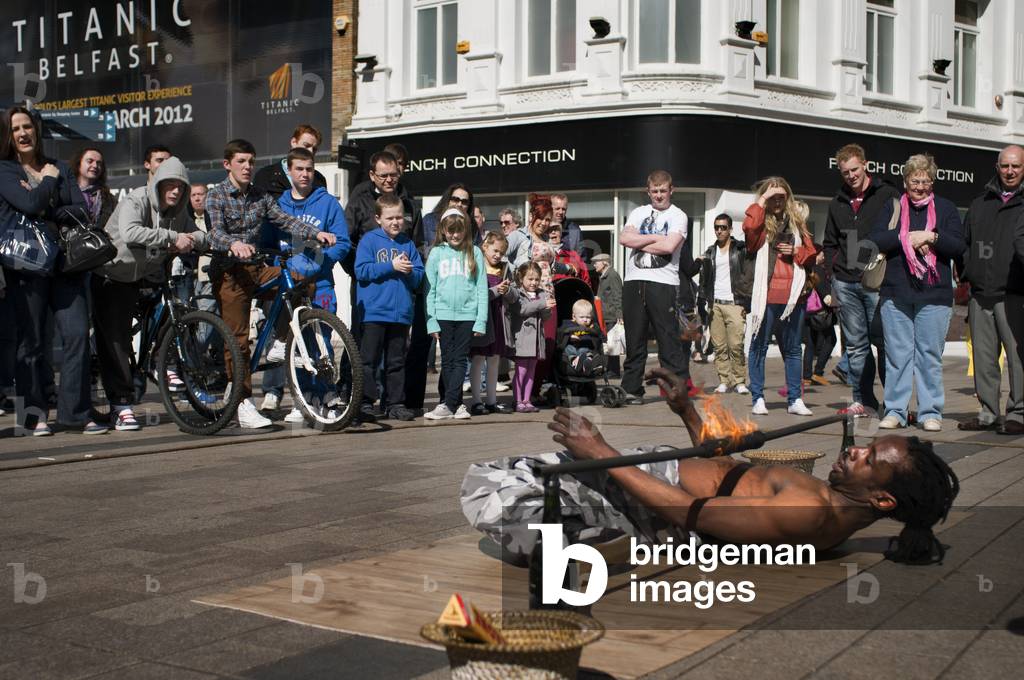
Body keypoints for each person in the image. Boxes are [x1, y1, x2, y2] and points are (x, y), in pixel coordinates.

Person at [462, 368, 961, 566]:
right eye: (865, 447)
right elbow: (726, 473)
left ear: (882, 499)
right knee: (506, 477)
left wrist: (602, 453)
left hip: (648, 498)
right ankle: (581, 540)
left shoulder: (811, 512)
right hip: (656, 475)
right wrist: (687, 410)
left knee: (488, 488)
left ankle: (584, 548)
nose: (854, 451)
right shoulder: (833, 502)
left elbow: (691, 514)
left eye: (869, 459)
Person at [206, 139, 337, 429]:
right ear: (228, 164)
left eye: (251, 162)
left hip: (255, 269)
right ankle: (242, 403)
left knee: (300, 282)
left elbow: (285, 220)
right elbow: (213, 233)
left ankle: (280, 339)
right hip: (229, 272)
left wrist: (316, 234)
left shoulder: (260, 195)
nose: (247, 167)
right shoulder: (216, 196)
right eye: (241, 161)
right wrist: (234, 244)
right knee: (238, 338)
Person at [0, 106, 103, 436]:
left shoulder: (59, 166)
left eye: (27, 126)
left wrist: (47, 203)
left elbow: (79, 209)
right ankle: (32, 417)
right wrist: (46, 185)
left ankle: (74, 414)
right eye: (15, 128)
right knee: (30, 344)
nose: (22, 133)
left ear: (36, 130)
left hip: (65, 265)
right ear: (8, 135)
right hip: (26, 266)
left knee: (76, 337)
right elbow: (29, 205)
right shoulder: (4, 169)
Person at [93, 157, 201, 431]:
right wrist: (171, 237)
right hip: (111, 275)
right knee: (115, 340)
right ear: (159, 184)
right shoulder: (136, 199)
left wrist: (193, 239)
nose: (176, 191)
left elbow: (197, 233)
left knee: (172, 312)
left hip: (142, 276)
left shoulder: (178, 211)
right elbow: (130, 232)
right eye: (170, 185)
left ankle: (158, 361)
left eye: (181, 186)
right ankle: (120, 405)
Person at [868, 155, 964, 431]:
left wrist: (931, 237)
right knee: (897, 356)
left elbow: (958, 246)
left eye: (925, 181)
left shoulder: (945, 209)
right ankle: (896, 411)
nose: (920, 186)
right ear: (905, 181)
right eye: (915, 180)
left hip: (934, 295)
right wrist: (907, 237)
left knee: (928, 356)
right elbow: (875, 239)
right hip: (896, 293)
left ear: (932, 182)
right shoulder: (893, 206)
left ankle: (929, 412)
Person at [273, 147, 352, 423]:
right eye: (299, 169)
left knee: (322, 342)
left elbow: (343, 243)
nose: (305, 174)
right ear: (289, 171)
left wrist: (320, 260)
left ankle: (326, 394)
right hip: (290, 285)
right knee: (296, 345)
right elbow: (270, 243)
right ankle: (303, 399)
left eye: (309, 169)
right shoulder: (279, 205)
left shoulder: (328, 203)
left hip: (321, 284)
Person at [823, 144, 900, 416]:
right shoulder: (836, 203)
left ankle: (893, 406)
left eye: (854, 169)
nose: (851, 176)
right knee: (856, 346)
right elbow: (830, 243)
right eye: (845, 172)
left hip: (876, 282)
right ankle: (864, 400)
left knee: (885, 344)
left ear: (865, 165)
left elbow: (898, 233)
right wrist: (832, 278)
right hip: (845, 282)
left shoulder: (887, 194)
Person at [957, 145, 1024, 435]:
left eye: (1016, 166)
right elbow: (965, 243)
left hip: (1015, 293)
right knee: (984, 359)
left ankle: (1019, 413)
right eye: (1005, 166)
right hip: (981, 292)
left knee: (1019, 359)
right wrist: (969, 271)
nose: (1010, 171)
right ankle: (988, 412)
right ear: (997, 167)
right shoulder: (979, 203)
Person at [743, 177, 816, 417]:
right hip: (766, 295)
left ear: (788, 198)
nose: (777, 202)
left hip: (794, 296)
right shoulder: (761, 223)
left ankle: (795, 399)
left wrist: (797, 251)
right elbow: (749, 231)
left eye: (781, 197)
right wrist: (761, 201)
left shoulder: (797, 222)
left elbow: (812, 254)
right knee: (759, 347)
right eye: (771, 197)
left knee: (794, 349)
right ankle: (758, 397)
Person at [618, 170, 691, 405]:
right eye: (654, 191)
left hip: (664, 283)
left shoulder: (679, 216)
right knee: (634, 338)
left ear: (671, 190)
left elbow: (669, 247)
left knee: (667, 339)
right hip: (634, 282)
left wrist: (642, 240)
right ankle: (631, 389)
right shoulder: (638, 212)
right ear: (648, 191)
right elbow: (624, 239)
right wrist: (656, 239)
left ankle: (676, 389)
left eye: (663, 190)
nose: (658, 195)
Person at [355, 193, 423, 423]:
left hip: (400, 314)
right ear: (378, 218)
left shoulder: (408, 243)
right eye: (390, 218)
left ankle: (394, 403)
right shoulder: (369, 241)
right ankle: (363, 402)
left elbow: (419, 277)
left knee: (396, 361)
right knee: (368, 360)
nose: (395, 222)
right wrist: (391, 265)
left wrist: (411, 271)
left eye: (399, 217)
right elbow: (361, 271)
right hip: (374, 311)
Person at [424, 209, 489, 420]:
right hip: (442, 315)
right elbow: (430, 289)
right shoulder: (436, 253)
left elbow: (481, 289)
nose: (454, 236)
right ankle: (457, 403)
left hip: (467, 316)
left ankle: (448, 404)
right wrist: (431, 321)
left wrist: (481, 321)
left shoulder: (475, 252)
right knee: (448, 360)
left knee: (460, 359)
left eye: (459, 231)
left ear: (466, 231)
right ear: (443, 230)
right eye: (450, 231)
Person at [698, 213, 751, 394]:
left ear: (730, 229)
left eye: (723, 227)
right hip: (715, 304)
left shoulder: (740, 249)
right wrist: (704, 301)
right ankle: (724, 380)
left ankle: (739, 381)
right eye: (716, 227)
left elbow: (748, 276)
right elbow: (704, 279)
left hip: (735, 303)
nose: (719, 231)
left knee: (736, 344)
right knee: (719, 346)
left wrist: (746, 303)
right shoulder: (710, 252)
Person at [468, 231, 515, 415]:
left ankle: (491, 400)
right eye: (495, 250)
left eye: (501, 253)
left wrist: (508, 290)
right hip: (483, 318)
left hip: (499, 318)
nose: (498, 255)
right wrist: (496, 290)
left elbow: (513, 295)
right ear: (485, 246)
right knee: (478, 358)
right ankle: (476, 400)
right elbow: (476, 295)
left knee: (494, 358)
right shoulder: (477, 266)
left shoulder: (504, 268)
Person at [508, 261, 555, 413]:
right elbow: (523, 310)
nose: (534, 282)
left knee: (531, 371)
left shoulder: (542, 294)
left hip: (536, 340)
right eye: (530, 279)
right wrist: (543, 303)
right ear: (521, 279)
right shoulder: (517, 293)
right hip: (522, 339)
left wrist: (548, 308)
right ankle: (517, 400)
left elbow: (545, 317)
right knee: (521, 371)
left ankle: (527, 400)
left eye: (536, 279)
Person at [252, 124, 328, 197]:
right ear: (293, 142)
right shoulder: (265, 176)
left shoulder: (319, 179)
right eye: (306, 145)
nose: (311, 151)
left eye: (314, 149)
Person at [802, 246, 838, 387]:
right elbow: (825, 293)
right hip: (820, 313)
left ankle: (806, 376)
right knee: (831, 339)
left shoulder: (806, 269)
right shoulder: (818, 270)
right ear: (818, 254)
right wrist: (834, 304)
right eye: (823, 253)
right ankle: (818, 373)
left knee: (810, 344)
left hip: (806, 312)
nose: (824, 255)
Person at [592, 253, 623, 378]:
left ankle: (614, 371)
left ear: (604, 262)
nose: (594, 265)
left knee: (613, 343)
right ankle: (608, 368)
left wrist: (619, 315)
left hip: (611, 315)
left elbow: (618, 295)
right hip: (604, 315)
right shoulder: (604, 276)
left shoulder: (612, 275)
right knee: (607, 343)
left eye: (596, 262)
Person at [71, 147, 117, 229]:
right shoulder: (66, 193)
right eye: (90, 161)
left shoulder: (109, 199)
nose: (95, 166)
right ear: (78, 164)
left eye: (99, 163)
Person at [557, 299, 605, 377]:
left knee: (587, 350)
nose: (585, 320)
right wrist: (569, 337)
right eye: (582, 317)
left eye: (588, 317)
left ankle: (585, 364)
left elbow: (601, 336)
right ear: (574, 316)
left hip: (586, 348)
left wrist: (602, 340)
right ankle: (575, 362)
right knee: (568, 348)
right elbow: (560, 334)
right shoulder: (568, 324)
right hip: (572, 348)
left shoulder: (593, 326)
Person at [548, 223, 590, 287]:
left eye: (556, 230)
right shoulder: (541, 254)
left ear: (561, 233)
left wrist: (587, 295)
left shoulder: (573, 255)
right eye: (550, 230)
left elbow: (585, 278)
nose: (553, 232)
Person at [550, 193, 586, 259]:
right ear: (550, 208)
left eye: (563, 209)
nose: (561, 212)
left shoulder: (574, 230)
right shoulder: (543, 227)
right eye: (557, 208)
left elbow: (582, 257)